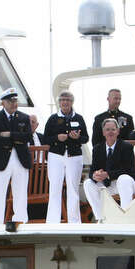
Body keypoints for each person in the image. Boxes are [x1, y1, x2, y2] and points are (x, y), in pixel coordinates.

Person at [43, 91, 88, 224]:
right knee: (54, 188)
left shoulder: (79, 118)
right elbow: (46, 139)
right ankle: (53, 222)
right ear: (59, 102)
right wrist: (57, 137)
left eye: (67, 100)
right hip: (56, 156)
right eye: (62, 100)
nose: (65, 102)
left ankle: (74, 221)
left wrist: (78, 137)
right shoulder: (53, 119)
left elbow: (86, 138)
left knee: (73, 188)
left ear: (72, 102)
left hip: (74, 156)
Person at [0, 88, 32, 224]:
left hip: (20, 158)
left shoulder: (24, 118)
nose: (14, 103)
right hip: (1, 159)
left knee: (20, 192)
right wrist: (17, 138)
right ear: (3, 103)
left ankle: (20, 221)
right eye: (10, 101)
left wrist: (10, 134)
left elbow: (27, 137)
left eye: (15, 100)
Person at [82, 118, 135, 221]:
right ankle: (101, 218)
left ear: (118, 131)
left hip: (126, 184)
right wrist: (95, 175)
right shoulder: (97, 148)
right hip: (108, 184)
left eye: (113, 129)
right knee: (88, 183)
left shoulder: (127, 147)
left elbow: (128, 170)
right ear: (103, 132)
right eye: (107, 130)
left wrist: (108, 174)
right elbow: (92, 170)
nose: (110, 132)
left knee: (124, 179)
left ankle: (125, 219)